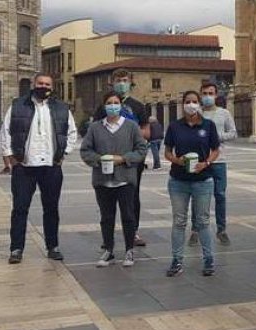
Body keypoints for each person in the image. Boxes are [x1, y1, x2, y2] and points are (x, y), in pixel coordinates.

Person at [0, 73, 79, 264]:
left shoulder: (61, 108)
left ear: (52, 87)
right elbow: (5, 131)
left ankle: (53, 246)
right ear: (34, 85)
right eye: (40, 83)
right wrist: (11, 156)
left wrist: (63, 153)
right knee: (20, 208)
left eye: (47, 84)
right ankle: (16, 248)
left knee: (51, 208)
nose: (43, 87)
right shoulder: (18, 105)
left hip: (51, 167)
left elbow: (72, 133)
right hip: (24, 167)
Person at [80, 93, 148, 267]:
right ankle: (109, 249)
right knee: (106, 217)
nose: (112, 106)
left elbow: (141, 149)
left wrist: (124, 159)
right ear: (104, 106)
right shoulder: (95, 128)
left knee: (128, 215)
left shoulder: (131, 126)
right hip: (103, 180)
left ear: (120, 106)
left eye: (116, 103)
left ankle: (129, 250)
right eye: (109, 103)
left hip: (125, 179)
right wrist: (98, 159)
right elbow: (85, 150)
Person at [162, 90, 220, 277]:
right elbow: (167, 152)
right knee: (179, 221)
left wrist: (207, 163)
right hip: (178, 180)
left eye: (194, 101)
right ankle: (177, 260)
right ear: (183, 104)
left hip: (202, 180)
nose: (191, 105)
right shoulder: (174, 127)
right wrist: (177, 160)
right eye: (188, 101)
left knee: (202, 221)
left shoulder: (208, 126)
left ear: (199, 104)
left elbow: (216, 149)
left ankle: (209, 259)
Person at [92, 69, 150, 247]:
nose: (121, 83)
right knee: (107, 197)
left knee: (132, 196)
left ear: (130, 82)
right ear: (112, 82)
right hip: (108, 160)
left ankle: (133, 233)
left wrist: (127, 134)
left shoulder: (138, 106)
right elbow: (95, 131)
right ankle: (107, 236)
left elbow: (146, 132)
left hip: (131, 161)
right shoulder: (103, 107)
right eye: (118, 80)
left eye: (125, 80)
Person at [193, 82, 238, 247]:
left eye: (210, 93)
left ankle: (221, 229)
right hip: (199, 161)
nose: (207, 96)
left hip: (219, 160)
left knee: (220, 195)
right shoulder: (196, 113)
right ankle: (195, 229)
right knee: (197, 195)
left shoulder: (224, 113)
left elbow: (233, 133)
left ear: (216, 94)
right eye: (204, 93)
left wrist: (216, 136)